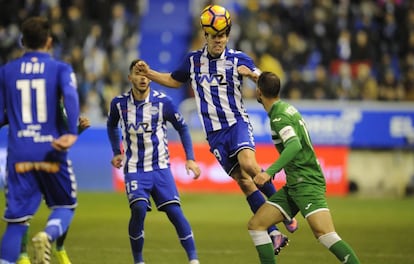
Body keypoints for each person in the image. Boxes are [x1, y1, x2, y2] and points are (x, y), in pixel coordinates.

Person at [135, 4, 297, 254]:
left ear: (227, 36)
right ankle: (274, 233)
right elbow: (174, 81)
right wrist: (150, 73)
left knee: (250, 165)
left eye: (222, 36)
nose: (219, 41)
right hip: (215, 136)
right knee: (244, 182)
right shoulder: (192, 61)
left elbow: (264, 78)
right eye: (214, 36)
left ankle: (285, 212)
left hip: (237, 124)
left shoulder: (238, 59)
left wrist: (255, 77)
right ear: (206, 36)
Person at [248, 71, 361, 264]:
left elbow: (294, 145)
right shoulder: (286, 108)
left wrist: (268, 173)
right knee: (257, 225)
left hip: (307, 183)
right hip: (294, 185)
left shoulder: (279, 117)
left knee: (325, 234)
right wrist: (253, 74)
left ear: (258, 93)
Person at [0, 16, 80, 264]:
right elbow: (70, 96)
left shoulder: (6, 71)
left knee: (16, 221)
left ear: (22, 41)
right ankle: (48, 234)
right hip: (51, 149)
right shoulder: (60, 68)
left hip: (20, 152)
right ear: (49, 41)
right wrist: (71, 133)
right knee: (65, 205)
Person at [106, 59, 201, 264]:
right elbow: (111, 125)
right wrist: (116, 151)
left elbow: (182, 127)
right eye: (137, 73)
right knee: (139, 209)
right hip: (135, 169)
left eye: (144, 73)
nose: (142, 77)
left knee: (175, 212)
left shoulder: (163, 103)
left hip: (160, 168)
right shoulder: (119, 104)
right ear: (130, 78)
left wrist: (190, 159)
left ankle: (193, 259)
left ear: (149, 75)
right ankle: (139, 260)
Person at [16, 115, 91, 264]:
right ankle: (55, 249)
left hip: (24, 159)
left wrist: (78, 129)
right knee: (65, 206)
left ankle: (25, 256)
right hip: (50, 163)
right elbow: (65, 138)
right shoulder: (55, 102)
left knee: (23, 209)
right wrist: (78, 129)